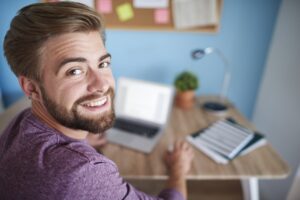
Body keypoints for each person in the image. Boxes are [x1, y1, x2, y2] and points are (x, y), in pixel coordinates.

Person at [0, 2, 194, 200]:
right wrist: (178, 169)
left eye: (103, 64)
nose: (101, 84)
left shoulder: (21, 123)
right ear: (31, 88)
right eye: (75, 71)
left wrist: (82, 139)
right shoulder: (86, 170)